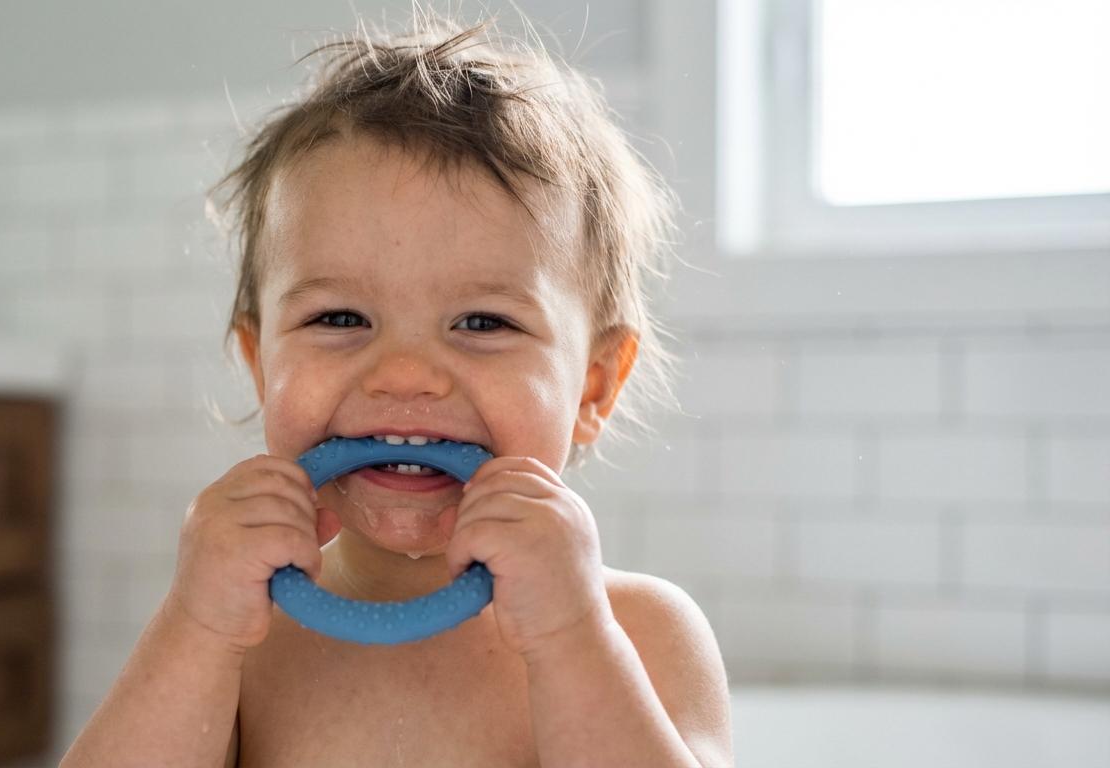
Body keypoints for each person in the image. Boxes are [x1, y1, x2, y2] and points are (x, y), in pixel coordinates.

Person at [62, 10, 732, 767]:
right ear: (261, 362)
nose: (404, 374)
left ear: (593, 387)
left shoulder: (642, 631)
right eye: (340, 316)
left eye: (482, 322)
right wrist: (195, 625)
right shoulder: (240, 634)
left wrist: (572, 638)